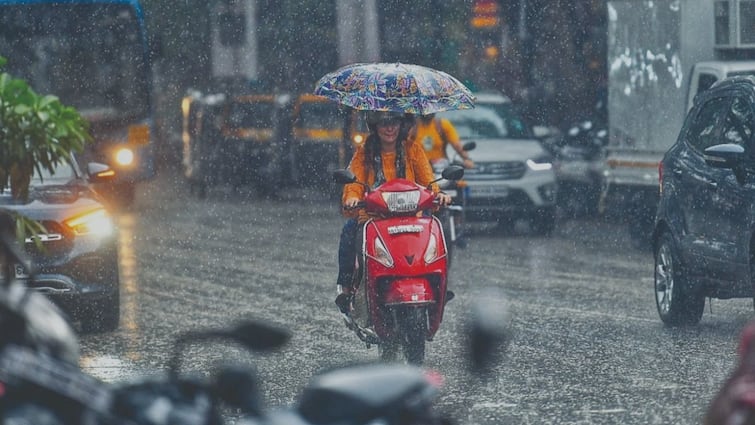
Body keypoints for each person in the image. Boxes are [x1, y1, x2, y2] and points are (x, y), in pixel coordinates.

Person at [335, 110, 451, 313]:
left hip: (411, 218)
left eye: (394, 122)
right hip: (372, 219)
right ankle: (346, 290)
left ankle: (439, 285)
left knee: (439, 232)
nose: (390, 128)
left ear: (401, 125)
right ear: (375, 126)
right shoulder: (364, 153)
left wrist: (439, 194)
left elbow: (428, 182)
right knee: (348, 233)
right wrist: (353, 197)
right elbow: (354, 182)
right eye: (383, 123)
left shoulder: (413, 150)